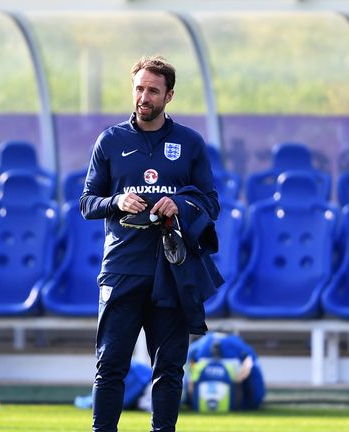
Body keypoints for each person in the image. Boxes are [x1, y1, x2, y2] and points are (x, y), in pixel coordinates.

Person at [80, 55, 222, 432]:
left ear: (169, 96)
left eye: (153, 91)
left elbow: (211, 202)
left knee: (169, 369)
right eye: (139, 88)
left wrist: (180, 203)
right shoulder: (109, 141)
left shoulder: (189, 143)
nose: (144, 97)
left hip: (171, 271)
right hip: (122, 269)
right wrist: (116, 201)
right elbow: (86, 203)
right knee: (110, 366)